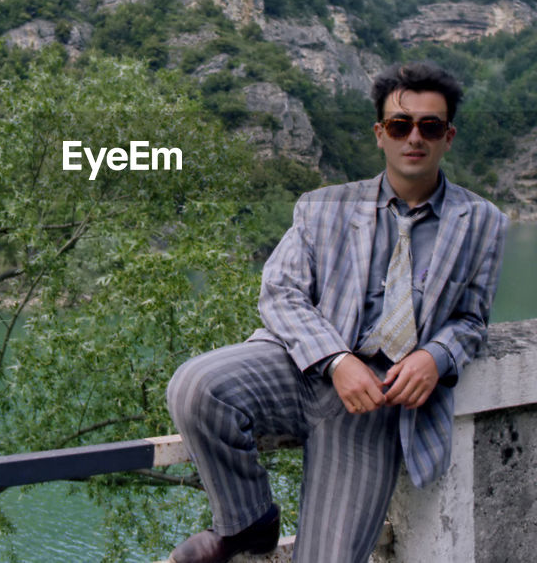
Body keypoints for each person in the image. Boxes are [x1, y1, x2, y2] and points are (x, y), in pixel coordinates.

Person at [165, 62, 508, 563]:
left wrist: (436, 356)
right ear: (380, 134)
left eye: (429, 127)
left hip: (378, 404)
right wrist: (336, 360)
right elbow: (280, 292)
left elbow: (472, 320)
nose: (414, 137)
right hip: (301, 368)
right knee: (196, 388)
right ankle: (247, 523)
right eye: (400, 125)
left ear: (447, 136)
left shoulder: (484, 223)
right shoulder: (322, 207)